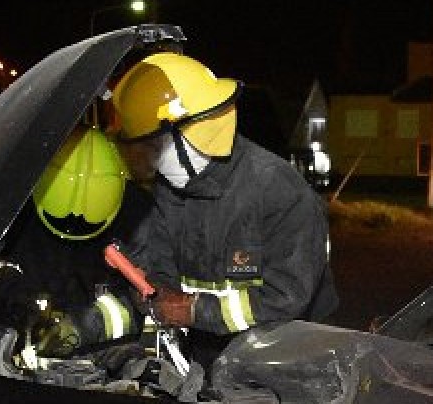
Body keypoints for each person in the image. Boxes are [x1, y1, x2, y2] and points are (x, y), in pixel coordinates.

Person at [105, 51, 338, 356]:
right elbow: (162, 270)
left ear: (188, 134)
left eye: (153, 147)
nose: (151, 162)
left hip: (291, 353)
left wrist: (194, 311)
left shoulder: (278, 190)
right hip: (209, 348)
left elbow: (287, 297)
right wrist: (154, 295)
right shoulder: (169, 192)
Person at [0, 125, 147, 366]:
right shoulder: (13, 206)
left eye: (88, 223)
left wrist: (83, 327)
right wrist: (15, 294)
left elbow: (148, 299)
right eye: (61, 220)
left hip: (101, 359)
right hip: (10, 349)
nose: (74, 224)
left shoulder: (138, 216)